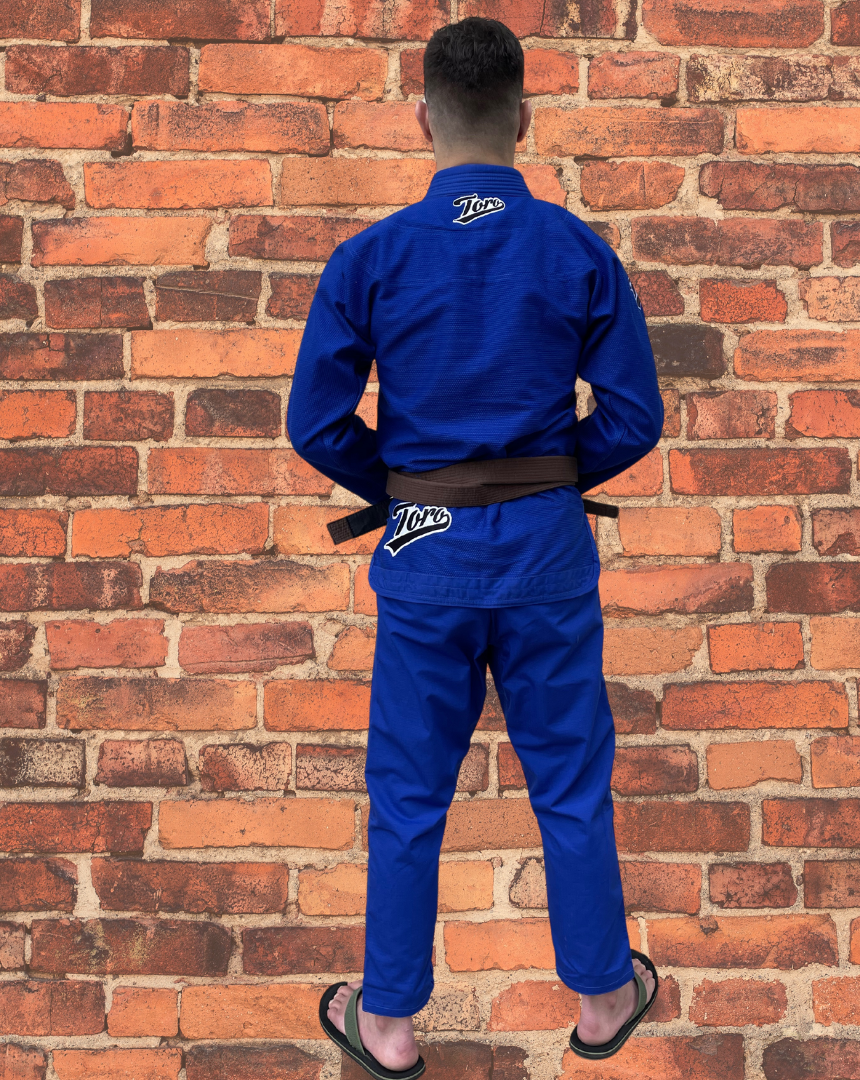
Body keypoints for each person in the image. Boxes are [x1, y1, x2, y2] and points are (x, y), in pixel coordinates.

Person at [288, 16, 664, 1079]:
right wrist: (543, 485)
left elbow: (316, 425)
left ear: (422, 118)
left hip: (427, 549)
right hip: (546, 554)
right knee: (572, 784)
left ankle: (391, 1026)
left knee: (409, 792)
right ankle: (601, 1001)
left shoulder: (370, 260)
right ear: (526, 117)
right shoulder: (579, 251)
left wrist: (410, 492)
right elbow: (633, 418)